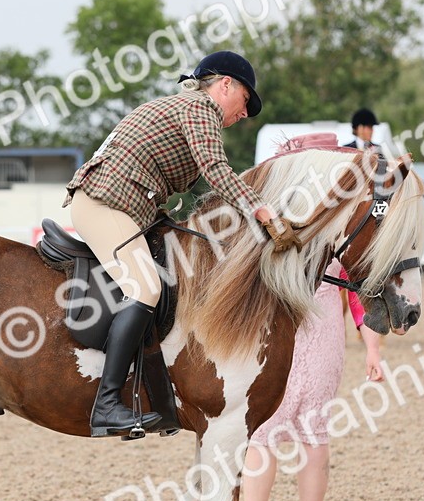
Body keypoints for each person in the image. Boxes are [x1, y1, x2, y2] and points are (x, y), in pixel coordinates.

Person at [62, 50, 287, 437]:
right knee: (146, 288)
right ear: (224, 85)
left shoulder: (186, 108)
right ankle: (107, 404)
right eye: (245, 101)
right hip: (104, 203)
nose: (245, 113)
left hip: (127, 208)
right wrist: (259, 210)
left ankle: (157, 393)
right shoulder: (201, 107)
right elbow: (215, 169)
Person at [233, 256, 383, 501]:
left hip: (323, 338)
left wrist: (373, 350)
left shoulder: (340, 239)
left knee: (314, 431)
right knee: (262, 432)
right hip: (274, 334)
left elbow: (357, 296)